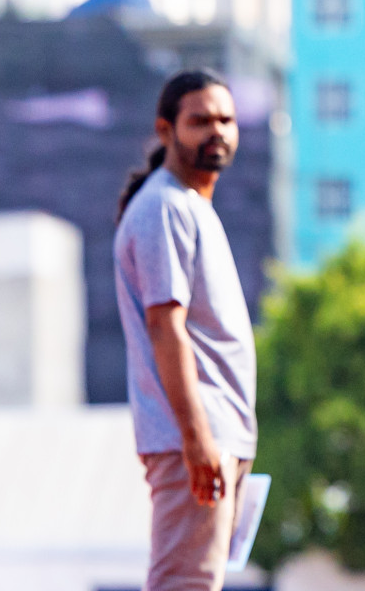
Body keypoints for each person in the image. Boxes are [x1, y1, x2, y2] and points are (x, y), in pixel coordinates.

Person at [115, 70, 257, 591]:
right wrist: (197, 441)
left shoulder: (192, 205)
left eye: (226, 120)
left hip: (217, 436)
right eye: (200, 121)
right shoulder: (164, 207)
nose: (216, 131)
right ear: (165, 130)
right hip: (195, 439)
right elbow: (164, 326)